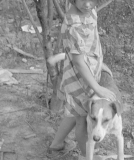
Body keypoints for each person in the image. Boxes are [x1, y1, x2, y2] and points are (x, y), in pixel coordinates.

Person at [47, 0, 116, 159]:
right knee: (82, 122)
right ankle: (87, 156)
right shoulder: (75, 26)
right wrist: (98, 88)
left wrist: (99, 63)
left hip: (89, 71)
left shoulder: (89, 9)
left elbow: (91, 43)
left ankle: (56, 144)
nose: (87, 4)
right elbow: (78, 61)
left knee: (74, 114)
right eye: (82, 0)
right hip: (80, 80)